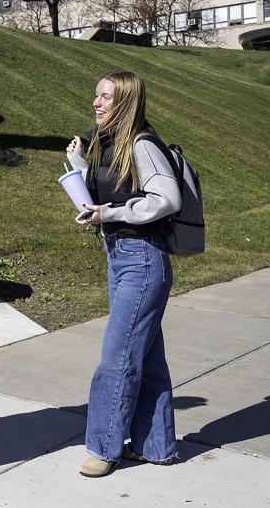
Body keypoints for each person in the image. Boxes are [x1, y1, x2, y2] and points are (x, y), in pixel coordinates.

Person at [65, 71, 181, 478]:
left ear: (126, 103)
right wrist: (80, 166)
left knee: (117, 358)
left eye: (106, 98)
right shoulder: (109, 145)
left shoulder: (143, 145)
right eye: (95, 95)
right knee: (146, 357)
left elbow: (167, 198)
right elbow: (110, 195)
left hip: (143, 259)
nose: (96, 103)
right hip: (120, 256)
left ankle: (103, 448)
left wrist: (110, 214)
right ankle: (157, 447)